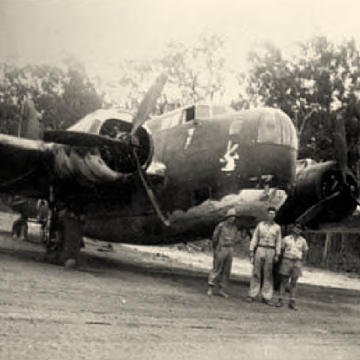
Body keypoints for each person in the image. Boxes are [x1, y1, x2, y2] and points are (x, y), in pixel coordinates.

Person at [247, 206, 282, 305]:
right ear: (267, 214)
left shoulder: (277, 228)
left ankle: (266, 296)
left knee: (268, 274)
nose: (271, 215)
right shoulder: (260, 225)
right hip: (260, 248)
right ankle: (252, 294)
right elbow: (255, 238)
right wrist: (251, 250)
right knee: (256, 272)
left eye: (273, 214)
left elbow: (278, 241)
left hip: (271, 250)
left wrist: (277, 254)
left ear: (275, 215)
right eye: (269, 213)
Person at [276, 223, 309, 310]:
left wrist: (302, 261)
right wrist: (282, 260)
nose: (297, 230)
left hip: (297, 261)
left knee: (294, 282)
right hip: (287, 260)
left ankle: (292, 301)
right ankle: (280, 300)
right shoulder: (286, 239)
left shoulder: (303, 241)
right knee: (284, 281)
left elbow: (305, 251)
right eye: (296, 228)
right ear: (293, 228)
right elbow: (282, 250)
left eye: (299, 228)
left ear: (301, 230)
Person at [207, 208, 239, 298]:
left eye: (234, 217)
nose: (233, 219)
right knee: (216, 268)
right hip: (221, 248)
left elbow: (236, 238)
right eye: (231, 217)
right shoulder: (221, 226)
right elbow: (215, 237)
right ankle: (210, 287)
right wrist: (216, 248)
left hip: (230, 249)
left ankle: (222, 289)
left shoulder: (235, 228)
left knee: (226, 270)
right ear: (227, 217)